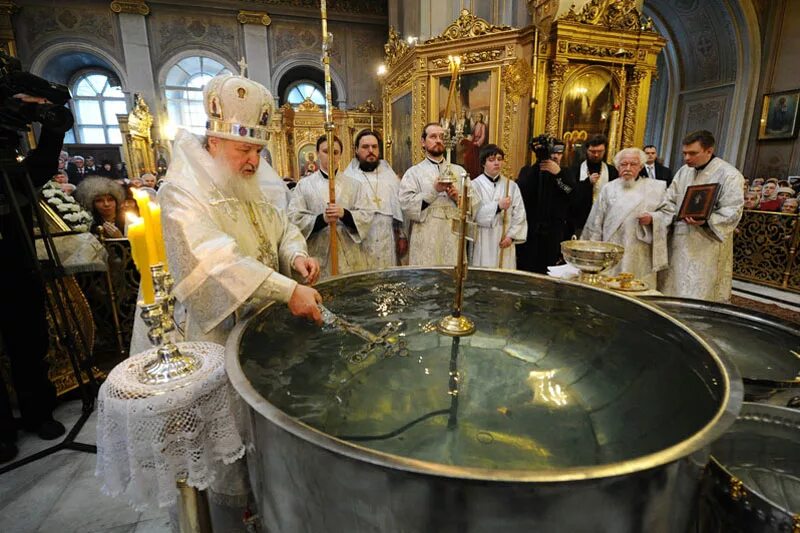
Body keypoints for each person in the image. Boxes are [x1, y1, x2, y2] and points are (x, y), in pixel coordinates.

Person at [157, 72, 322, 348]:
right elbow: (214, 260)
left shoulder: (253, 181)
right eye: (245, 149)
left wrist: (295, 256)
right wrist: (288, 290)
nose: (255, 162)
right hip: (218, 333)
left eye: (259, 151)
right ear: (214, 142)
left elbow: (283, 228)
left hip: (267, 319)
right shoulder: (182, 191)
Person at [1, 91, 70, 462]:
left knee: (29, 335)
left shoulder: (13, 167)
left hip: (17, 262)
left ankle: (37, 412)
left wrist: (53, 127)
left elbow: (41, 166)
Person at [644, 130, 744, 302]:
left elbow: (733, 211)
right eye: (684, 153)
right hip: (679, 242)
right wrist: (658, 217)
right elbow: (669, 200)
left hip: (706, 245)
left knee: (699, 292)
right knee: (673, 288)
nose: (687, 158)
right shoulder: (684, 172)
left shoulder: (730, 175)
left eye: (692, 153)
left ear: (709, 151)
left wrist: (706, 221)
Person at [287, 135, 372, 279]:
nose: (331, 156)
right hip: (317, 255)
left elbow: (366, 216)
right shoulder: (304, 185)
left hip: (349, 255)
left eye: (335, 152)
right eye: (326, 151)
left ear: (340, 154)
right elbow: (294, 219)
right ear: (317, 153)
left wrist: (344, 214)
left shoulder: (355, 185)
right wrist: (322, 219)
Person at [582, 148, 668, 287]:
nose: (628, 168)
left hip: (640, 252)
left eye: (633, 164)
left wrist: (653, 218)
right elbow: (596, 222)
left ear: (640, 167)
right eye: (623, 164)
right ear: (617, 166)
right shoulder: (608, 189)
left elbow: (668, 213)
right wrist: (592, 253)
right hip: (611, 252)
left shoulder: (655, 188)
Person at [399, 122, 477, 266]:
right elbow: (407, 206)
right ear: (423, 142)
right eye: (433, 137)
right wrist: (434, 190)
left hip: (453, 237)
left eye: (441, 137)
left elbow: (473, 206)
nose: (438, 140)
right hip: (426, 236)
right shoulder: (414, 173)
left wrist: (457, 198)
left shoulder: (459, 171)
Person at [343, 130, 407, 269]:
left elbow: (399, 207)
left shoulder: (389, 176)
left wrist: (402, 235)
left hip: (387, 236)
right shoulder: (348, 177)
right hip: (361, 237)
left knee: (387, 276)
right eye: (365, 147)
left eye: (374, 146)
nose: (370, 150)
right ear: (356, 150)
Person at [516, 139, 577, 273]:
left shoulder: (566, 173)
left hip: (554, 233)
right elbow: (522, 192)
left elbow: (571, 193)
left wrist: (558, 175)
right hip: (530, 232)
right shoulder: (528, 171)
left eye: (559, 153)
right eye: (552, 153)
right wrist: (538, 164)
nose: (555, 156)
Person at [470, 144, 527, 269]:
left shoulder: (511, 186)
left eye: (499, 159)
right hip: (483, 240)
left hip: (505, 241)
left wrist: (511, 237)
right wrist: (497, 206)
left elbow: (520, 215)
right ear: (483, 163)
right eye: (491, 160)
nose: (497, 163)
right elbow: (474, 215)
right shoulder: (474, 185)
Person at [569, 134, 618, 236]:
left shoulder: (612, 171)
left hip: (604, 221)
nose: (596, 155)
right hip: (580, 222)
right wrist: (587, 183)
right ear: (586, 150)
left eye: (600, 152)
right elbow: (570, 194)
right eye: (593, 151)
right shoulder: (575, 170)